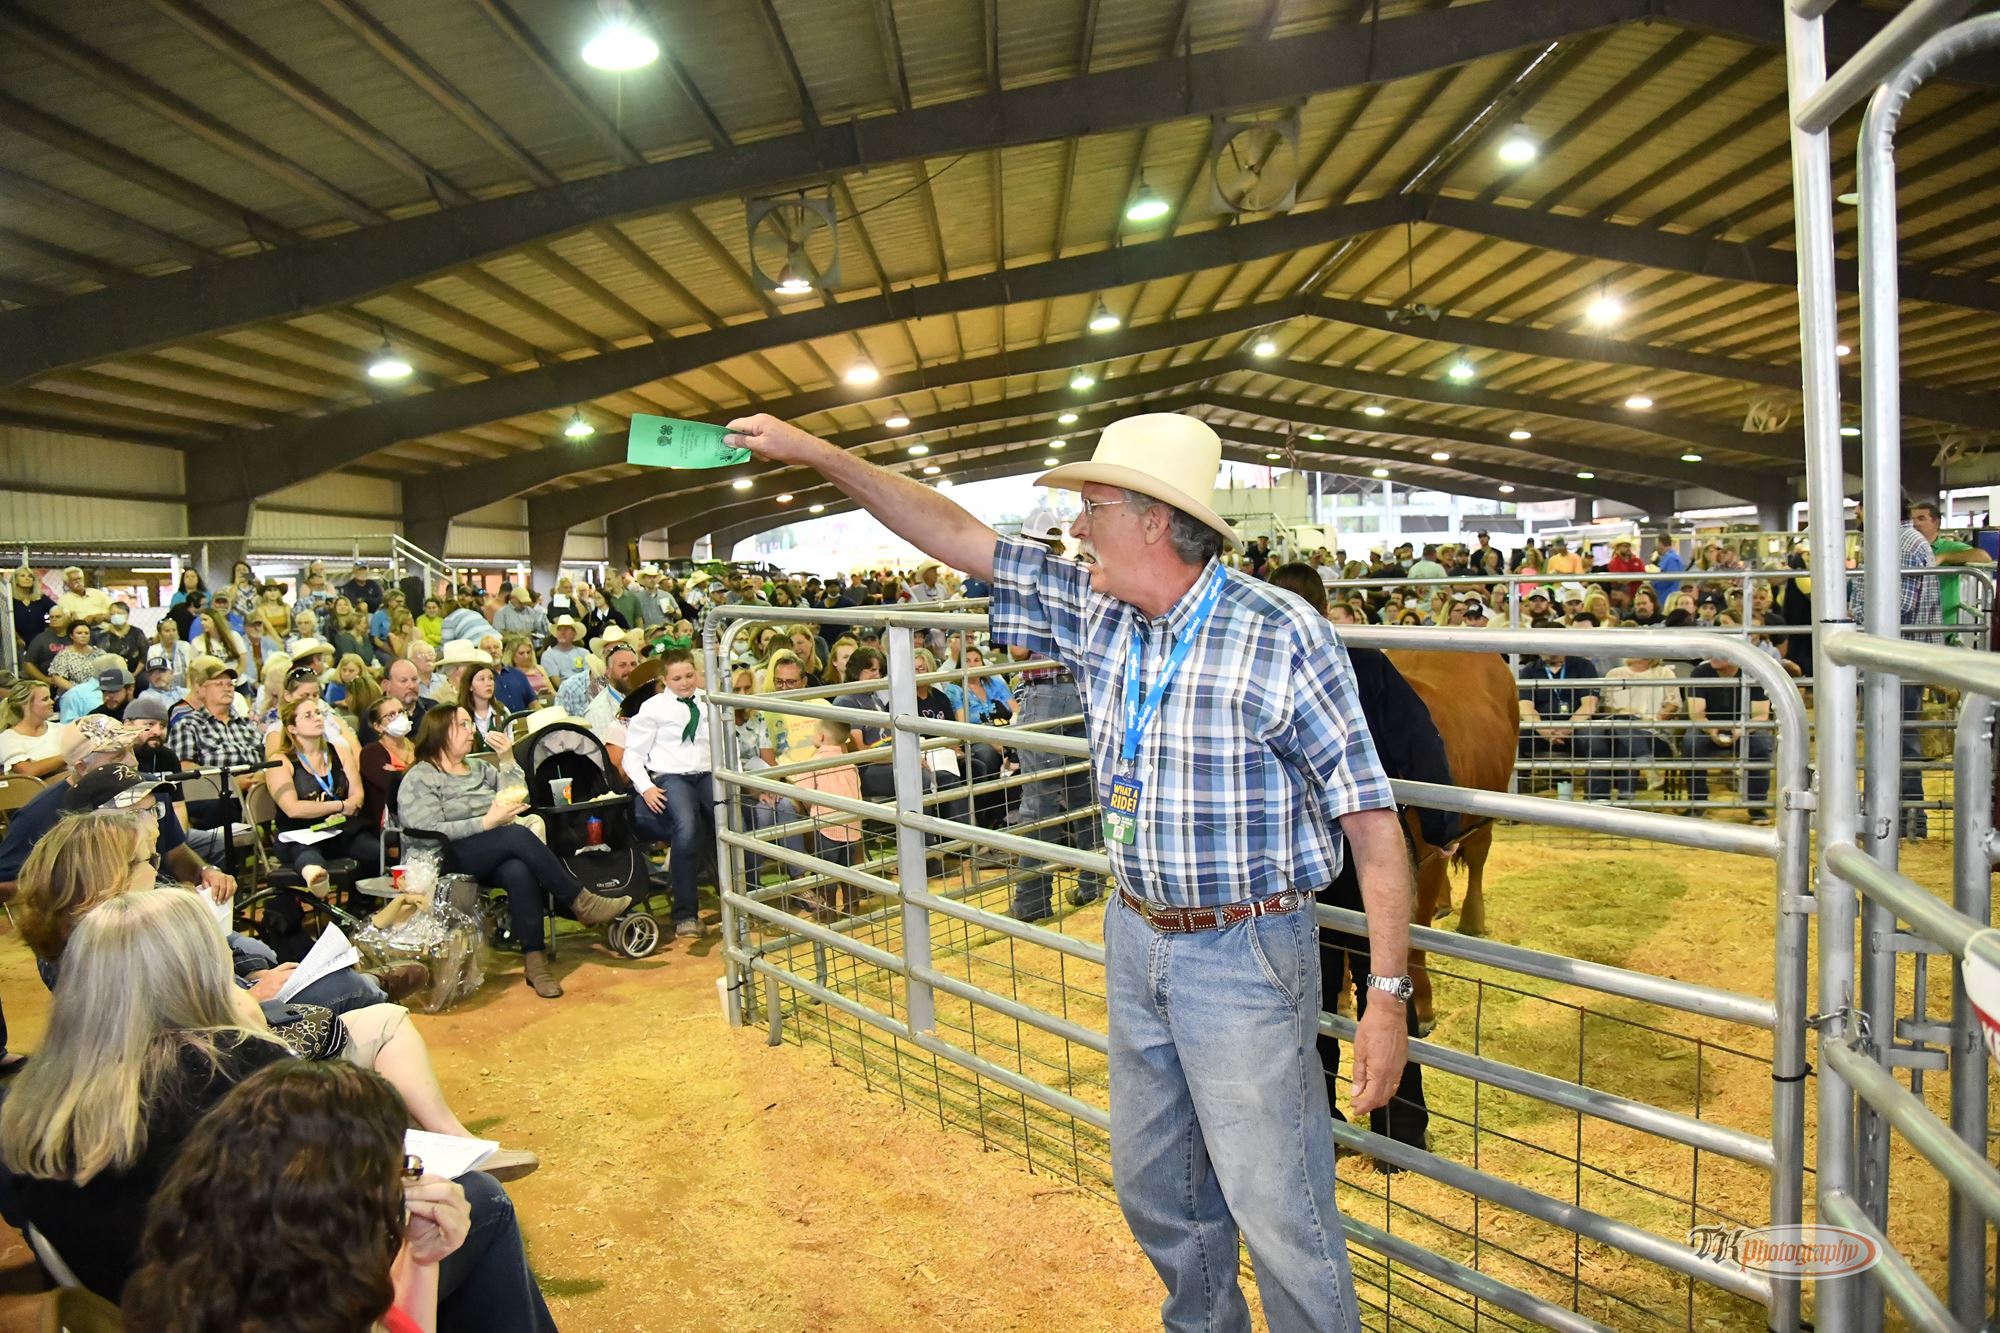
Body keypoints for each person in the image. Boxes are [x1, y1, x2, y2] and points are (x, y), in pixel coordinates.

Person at [728, 409, 1411, 1333]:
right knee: (1156, 1187)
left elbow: (1370, 820)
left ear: (1153, 520)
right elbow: (955, 531)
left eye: (1092, 507)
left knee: (1279, 1207)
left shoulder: (1280, 631)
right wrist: (817, 454)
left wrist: (1388, 992)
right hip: (1137, 934)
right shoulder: (1100, 610)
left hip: (1246, 949)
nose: (1077, 527)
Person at [3, 889, 548, 1330]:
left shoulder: (30, 1107)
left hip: (132, 1307)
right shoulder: (241, 1071)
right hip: (264, 1305)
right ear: (198, 977)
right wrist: (255, 1029)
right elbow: (340, 1217)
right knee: (482, 1203)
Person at [1269, 562, 1446, 1159]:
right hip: (1369, 860)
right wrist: (1444, 828)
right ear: (1324, 605)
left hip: (1297, 865)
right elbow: (1420, 738)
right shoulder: (1362, 661)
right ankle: (1398, 1134)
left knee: (1309, 998)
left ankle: (1318, 1128)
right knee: (1383, 990)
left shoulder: (1261, 661)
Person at [398, 706, 631, 998]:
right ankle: (578, 899)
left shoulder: (479, 768)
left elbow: (517, 795)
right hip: (441, 855)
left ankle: (535, 961)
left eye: (471, 723)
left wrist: (507, 760)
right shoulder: (421, 776)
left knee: (518, 870)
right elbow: (423, 826)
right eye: (463, 724)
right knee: (515, 836)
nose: (472, 730)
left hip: (488, 848)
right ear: (441, 731)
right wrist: (486, 822)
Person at [620, 649, 713, 938]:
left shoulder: (710, 702)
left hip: (709, 773)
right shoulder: (653, 708)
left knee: (731, 821)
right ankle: (685, 914)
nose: (685, 682)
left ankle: (742, 895)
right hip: (672, 776)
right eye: (677, 678)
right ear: (664, 680)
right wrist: (646, 787)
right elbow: (632, 756)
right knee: (686, 827)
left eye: (689, 675)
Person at [266, 696, 372, 890]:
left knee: (373, 849)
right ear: (292, 728)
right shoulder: (280, 760)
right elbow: (293, 809)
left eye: (318, 713)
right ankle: (315, 878)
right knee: (306, 853)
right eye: (308, 715)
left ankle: (361, 904)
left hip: (338, 828)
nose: (317, 718)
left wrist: (347, 808)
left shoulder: (339, 751)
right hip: (299, 833)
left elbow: (357, 794)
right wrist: (340, 805)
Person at [1517, 644, 1623, 801]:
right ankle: (1516, 799)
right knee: (1511, 740)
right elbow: (1525, 706)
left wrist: (1568, 728)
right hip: (1541, 730)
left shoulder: (1583, 666)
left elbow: (1589, 704)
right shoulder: (1529, 670)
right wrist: (1542, 729)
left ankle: (1597, 799)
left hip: (1578, 728)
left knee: (1596, 741)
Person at [1684, 650, 1773, 821]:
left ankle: (1757, 806)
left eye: (1721, 652)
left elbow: (1761, 715)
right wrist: (1712, 730)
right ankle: (1697, 803)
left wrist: (1741, 730)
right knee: (1691, 743)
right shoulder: (1700, 672)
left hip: (1746, 728)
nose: (1713, 656)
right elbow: (1697, 714)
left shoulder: (1752, 672)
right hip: (1709, 726)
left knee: (1761, 745)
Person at [0, 678, 67, 778]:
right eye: (45, 699)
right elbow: (27, 771)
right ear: (25, 705)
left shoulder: (61, 729)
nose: (52, 702)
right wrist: (66, 757)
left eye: (50, 697)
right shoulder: (7, 738)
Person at [8, 566, 54, 665]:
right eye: (23, 576)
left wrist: (49, 628)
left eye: (30, 576)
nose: (27, 578)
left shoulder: (40, 598)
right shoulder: (9, 599)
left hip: (40, 639)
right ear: (15, 580)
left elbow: (56, 611)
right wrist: (16, 636)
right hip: (17, 641)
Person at [496, 636, 546, 713]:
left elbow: (534, 703)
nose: (526, 656)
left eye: (528, 652)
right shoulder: (510, 674)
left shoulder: (520, 675)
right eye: (521, 653)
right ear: (512, 655)